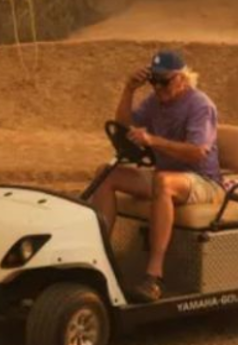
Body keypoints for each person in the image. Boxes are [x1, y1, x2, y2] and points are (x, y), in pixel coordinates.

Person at [88, 49, 223, 303]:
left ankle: (154, 276)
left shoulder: (200, 105)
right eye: (154, 80)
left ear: (182, 78)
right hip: (168, 175)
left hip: (203, 181)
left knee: (163, 182)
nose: (158, 87)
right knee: (105, 174)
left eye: (164, 81)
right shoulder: (155, 101)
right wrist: (129, 89)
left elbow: (197, 152)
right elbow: (125, 124)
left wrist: (152, 140)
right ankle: (98, 255)